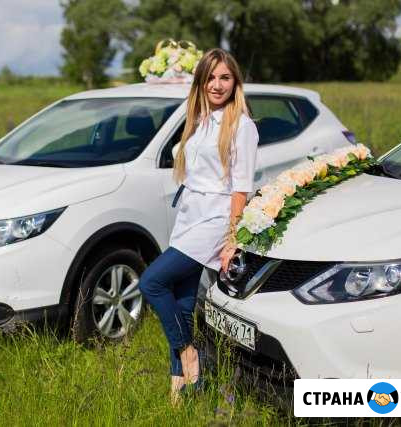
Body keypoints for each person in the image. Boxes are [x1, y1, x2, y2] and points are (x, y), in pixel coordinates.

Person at [138, 48, 259, 404]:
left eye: (225, 77)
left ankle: (188, 352)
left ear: (235, 81)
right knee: (183, 302)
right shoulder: (200, 119)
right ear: (201, 81)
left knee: (152, 281)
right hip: (190, 214)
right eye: (210, 77)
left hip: (216, 218)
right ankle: (182, 390)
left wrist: (232, 240)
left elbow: (241, 188)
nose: (217, 84)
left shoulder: (242, 126)